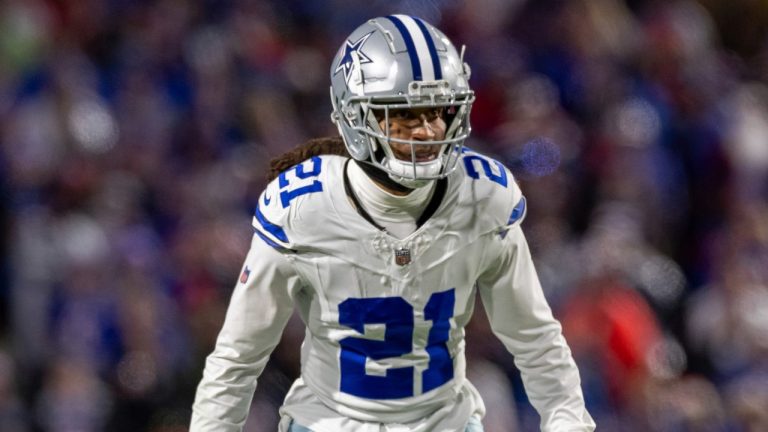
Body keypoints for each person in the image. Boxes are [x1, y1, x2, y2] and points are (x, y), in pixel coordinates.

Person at [190, 15, 595, 432]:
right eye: (405, 116)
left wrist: (568, 422)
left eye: (438, 111)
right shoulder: (303, 207)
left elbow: (535, 338)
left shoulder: (482, 196)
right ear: (356, 119)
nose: (428, 132)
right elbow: (239, 356)